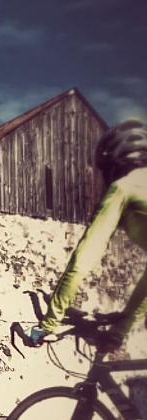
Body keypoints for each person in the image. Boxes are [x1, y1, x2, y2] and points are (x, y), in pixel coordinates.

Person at [30, 119, 147, 349]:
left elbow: (82, 262)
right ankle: (119, 335)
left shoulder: (124, 187)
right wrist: (121, 328)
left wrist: (48, 324)